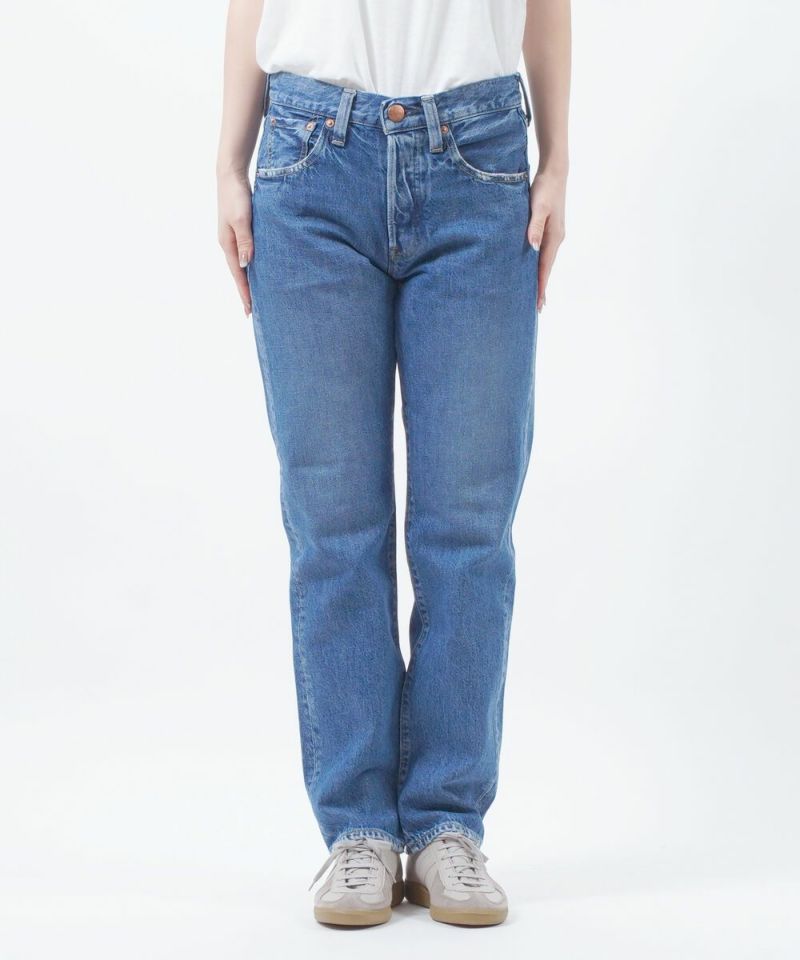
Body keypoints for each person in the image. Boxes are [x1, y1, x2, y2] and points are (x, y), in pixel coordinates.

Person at [216, 0, 569, 927]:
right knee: (334, 526)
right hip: (309, 159)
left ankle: (449, 824)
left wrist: (559, 160)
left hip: (479, 157)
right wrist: (226, 162)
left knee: (468, 526)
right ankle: (360, 833)